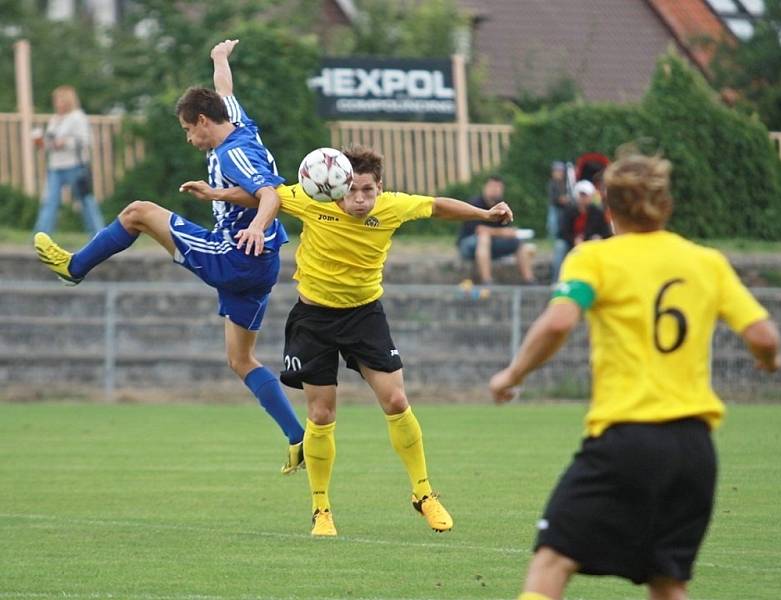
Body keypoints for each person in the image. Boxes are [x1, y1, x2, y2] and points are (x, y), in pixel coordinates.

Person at [489, 153, 781, 600]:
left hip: (627, 440)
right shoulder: (706, 262)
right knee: (666, 583)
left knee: (552, 560)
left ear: (609, 208)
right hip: (694, 449)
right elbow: (763, 335)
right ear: (666, 206)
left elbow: (557, 322)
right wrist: (768, 361)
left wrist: (512, 374)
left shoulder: (594, 259)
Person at [181, 145, 514, 537]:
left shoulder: (392, 207)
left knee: (396, 400)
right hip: (314, 319)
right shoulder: (311, 198)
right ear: (337, 187)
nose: (360, 199)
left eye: (368, 191)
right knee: (321, 415)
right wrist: (218, 193)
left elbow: (436, 206)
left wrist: (486, 215)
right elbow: (264, 193)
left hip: (364, 316)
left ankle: (423, 494)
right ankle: (321, 509)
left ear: (380, 188)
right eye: (352, 190)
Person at [33, 40, 306, 474]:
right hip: (263, 266)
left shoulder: (232, 152)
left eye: (187, 129)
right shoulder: (238, 124)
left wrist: (254, 225)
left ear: (202, 122)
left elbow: (270, 194)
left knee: (138, 213)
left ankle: (74, 267)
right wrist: (219, 60)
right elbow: (225, 91)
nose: (188, 137)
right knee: (240, 360)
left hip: (235, 254)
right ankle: (297, 437)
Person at [32, 85, 104, 236]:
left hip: (75, 166)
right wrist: (42, 144)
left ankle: (98, 234)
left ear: (68, 101)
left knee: (85, 202)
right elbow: (51, 142)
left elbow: (86, 141)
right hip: (55, 166)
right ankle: (40, 236)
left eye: (60, 100)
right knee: (50, 202)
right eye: (56, 100)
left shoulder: (78, 117)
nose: (57, 103)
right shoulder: (54, 119)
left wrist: (66, 142)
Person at [457, 175, 535, 285]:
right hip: (468, 245)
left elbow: (505, 228)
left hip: (492, 245)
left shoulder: (502, 206)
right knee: (484, 238)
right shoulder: (475, 203)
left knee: (518, 242)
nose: (495, 190)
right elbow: (480, 230)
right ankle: (487, 281)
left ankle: (529, 280)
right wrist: (503, 232)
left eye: (498, 187)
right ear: (485, 187)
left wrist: (510, 232)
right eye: (492, 186)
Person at [551, 180, 611, 282]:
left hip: (592, 244)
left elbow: (606, 233)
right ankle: (557, 281)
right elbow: (562, 232)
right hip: (571, 243)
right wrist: (573, 239)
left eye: (586, 195)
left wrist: (598, 237)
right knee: (560, 246)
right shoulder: (569, 211)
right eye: (581, 195)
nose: (583, 198)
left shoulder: (598, 213)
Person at [546, 161, 569, 239]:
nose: (559, 173)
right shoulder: (552, 183)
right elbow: (553, 197)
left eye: (560, 171)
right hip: (555, 208)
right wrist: (561, 199)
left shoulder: (566, 183)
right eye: (557, 171)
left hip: (563, 209)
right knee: (553, 225)